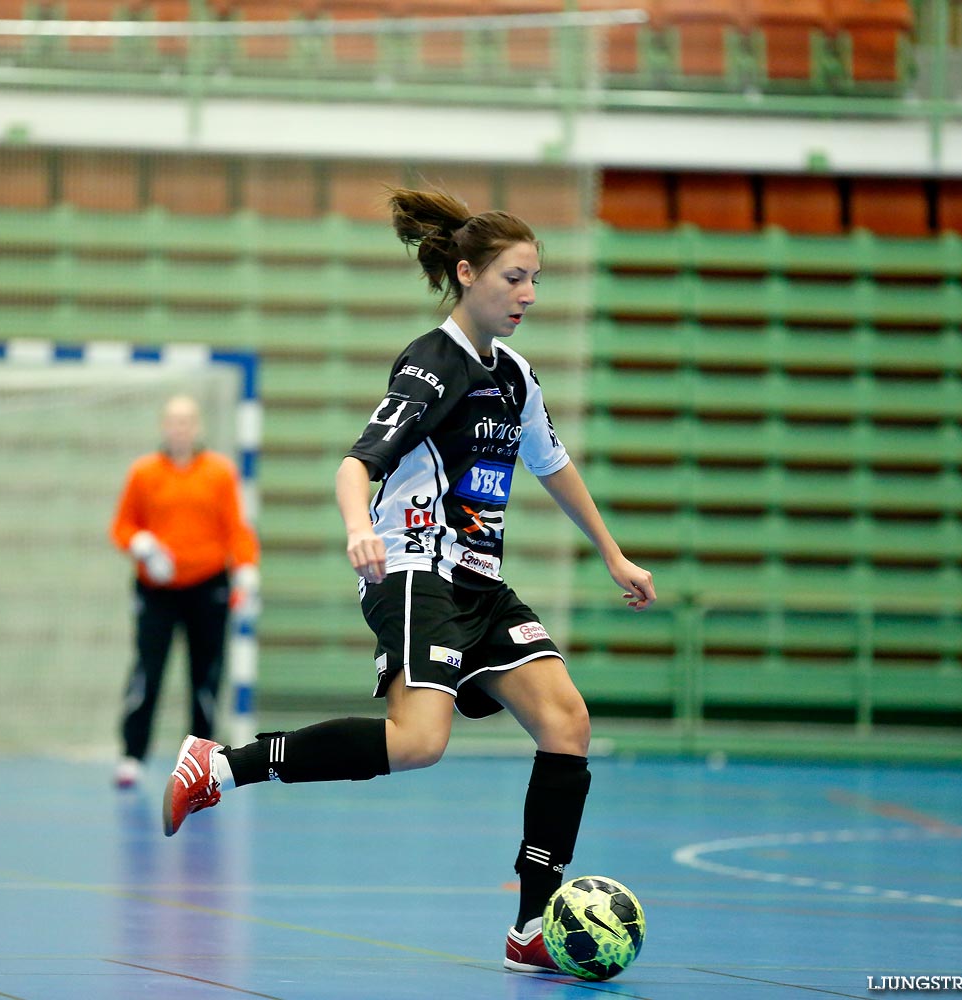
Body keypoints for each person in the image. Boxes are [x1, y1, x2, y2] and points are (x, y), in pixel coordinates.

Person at [158, 188, 657, 974]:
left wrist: (612, 553)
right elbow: (356, 464)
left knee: (567, 723)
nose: (528, 295)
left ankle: (531, 927)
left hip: (479, 580)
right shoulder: (433, 364)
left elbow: (551, 464)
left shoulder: (516, 376)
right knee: (418, 743)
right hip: (414, 571)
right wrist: (361, 529)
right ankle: (219, 765)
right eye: (514, 279)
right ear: (467, 275)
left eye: (536, 280)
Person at [110, 394, 260, 789]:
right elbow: (122, 526)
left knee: (206, 677)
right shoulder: (143, 474)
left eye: (187, 421)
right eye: (173, 421)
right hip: (156, 591)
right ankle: (132, 755)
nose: (180, 428)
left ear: (197, 427)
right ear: (164, 426)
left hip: (208, 587)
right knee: (148, 670)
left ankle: (203, 763)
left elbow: (236, 529)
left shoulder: (219, 473)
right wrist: (142, 544)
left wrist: (245, 570)